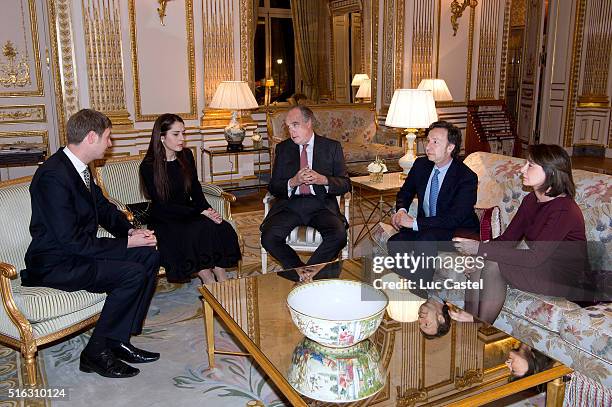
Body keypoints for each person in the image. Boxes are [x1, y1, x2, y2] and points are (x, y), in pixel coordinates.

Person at [22, 109, 160, 379]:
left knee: (149, 256)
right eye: (108, 138)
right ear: (91, 137)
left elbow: (104, 209)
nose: (110, 144)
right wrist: (124, 246)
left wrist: (131, 233)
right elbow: (72, 242)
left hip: (77, 254)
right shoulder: (53, 176)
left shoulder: (80, 168)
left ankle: (118, 340)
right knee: (131, 274)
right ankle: (95, 352)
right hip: (55, 262)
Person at [454, 144, 591, 324]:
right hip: (541, 265)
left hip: (564, 278)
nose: (523, 169)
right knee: (481, 260)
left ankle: (481, 324)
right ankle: (469, 319)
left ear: (551, 172)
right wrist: (478, 253)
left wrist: (480, 248)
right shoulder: (531, 199)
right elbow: (508, 239)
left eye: (531, 165)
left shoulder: (564, 209)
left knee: (493, 262)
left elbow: (535, 257)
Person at [139, 113, 241, 285]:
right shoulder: (148, 166)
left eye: (183, 133)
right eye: (176, 134)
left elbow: (195, 188)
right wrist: (199, 212)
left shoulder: (186, 155)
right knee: (194, 232)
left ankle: (222, 278)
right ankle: (208, 281)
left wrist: (208, 210)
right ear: (162, 137)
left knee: (218, 227)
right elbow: (163, 205)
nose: (182, 139)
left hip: (189, 211)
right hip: (165, 217)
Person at [388, 121, 479, 298]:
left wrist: (414, 222)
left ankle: (419, 294)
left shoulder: (466, 177)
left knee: (425, 239)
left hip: (457, 230)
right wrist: (401, 211)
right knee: (395, 242)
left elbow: (454, 218)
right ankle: (416, 288)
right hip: (428, 226)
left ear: (450, 147)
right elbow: (405, 192)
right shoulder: (421, 165)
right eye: (428, 141)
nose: (428, 147)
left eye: (435, 142)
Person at [260, 105, 351, 281]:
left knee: (339, 235)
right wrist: (293, 182)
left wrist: (322, 179)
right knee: (269, 237)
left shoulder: (331, 147)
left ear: (308, 123)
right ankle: (303, 272)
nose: (291, 131)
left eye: (295, 125)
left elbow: (345, 184)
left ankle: (307, 274)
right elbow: (274, 187)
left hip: (321, 205)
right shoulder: (283, 149)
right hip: (290, 205)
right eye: (288, 126)